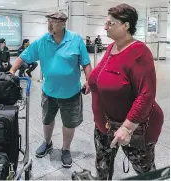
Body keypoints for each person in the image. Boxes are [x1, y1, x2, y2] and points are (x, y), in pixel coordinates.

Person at [88, 4, 164, 179]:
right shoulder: (112, 47)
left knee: (146, 173)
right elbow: (100, 71)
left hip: (132, 129)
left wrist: (127, 128)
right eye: (106, 23)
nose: (106, 27)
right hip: (104, 124)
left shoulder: (139, 52)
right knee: (102, 166)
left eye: (111, 23)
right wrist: (90, 84)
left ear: (126, 25)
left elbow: (146, 95)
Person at [10, 12, 92, 168]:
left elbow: (86, 63)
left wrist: (89, 80)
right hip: (49, 92)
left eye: (53, 22)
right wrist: (13, 70)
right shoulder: (43, 41)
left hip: (71, 93)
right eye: (49, 21)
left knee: (69, 124)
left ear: (63, 24)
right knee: (47, 120)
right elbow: (25, 55)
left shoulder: (75, 40)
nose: (49, 24)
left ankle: (66, 149)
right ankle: (47, 143)